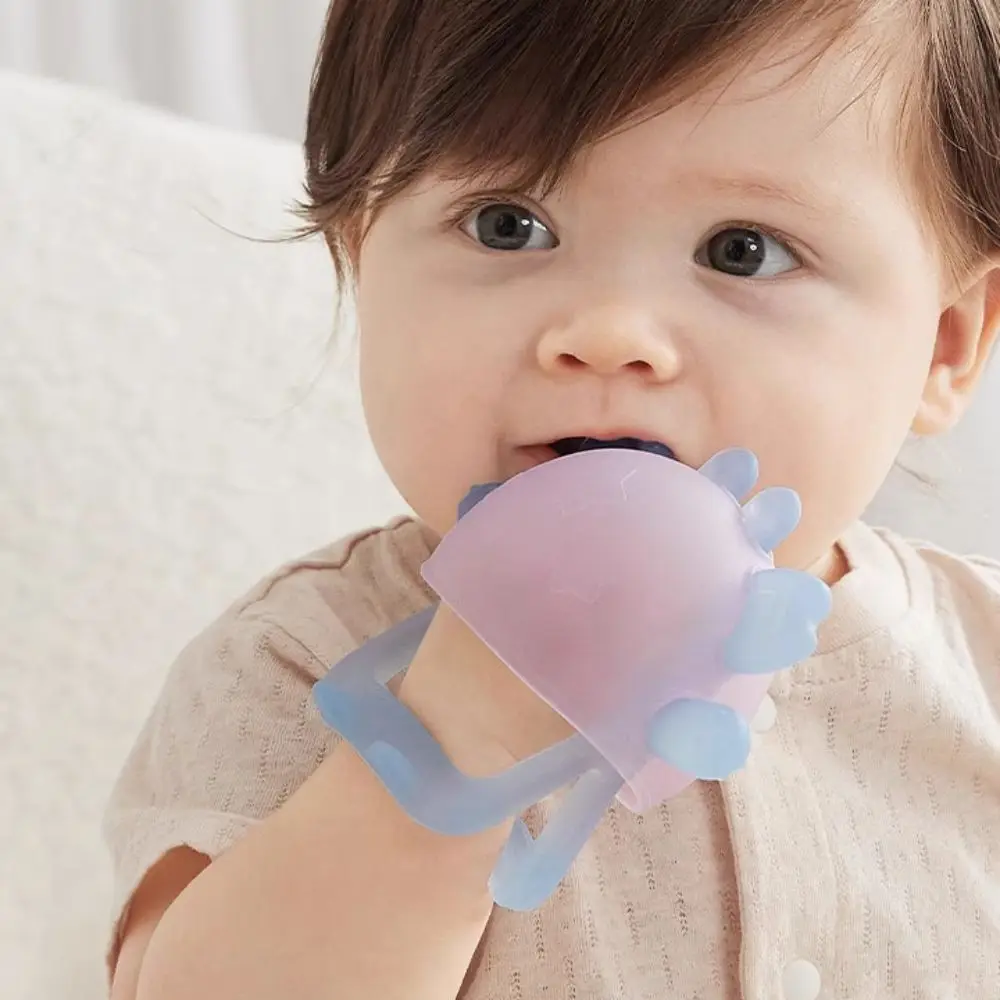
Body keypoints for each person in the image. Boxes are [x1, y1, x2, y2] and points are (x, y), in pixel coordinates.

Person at [103, 1, 1000, 998]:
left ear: (943, 343)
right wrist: (454, 732)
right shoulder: (295, 663)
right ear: (362, 261)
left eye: (742, 249)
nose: (608, 332)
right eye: (508, 225)